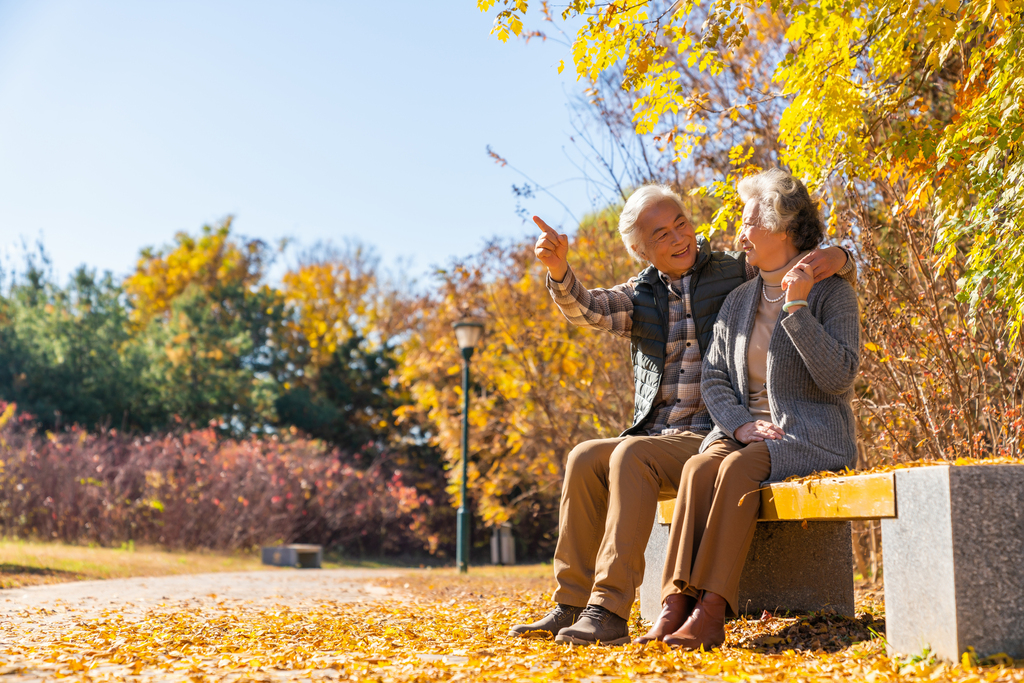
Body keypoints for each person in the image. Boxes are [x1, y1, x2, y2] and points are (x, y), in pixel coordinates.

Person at [508, 182, 855, 646]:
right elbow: (590, 309)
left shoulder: (734, 271)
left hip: (717, 431)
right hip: (691, 433)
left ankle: (611, 609)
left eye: (681, 224)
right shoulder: (646, 295)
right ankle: (573, 603)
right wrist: (558, 271)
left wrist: (840, 256)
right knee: (585, 457)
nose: (678, 238)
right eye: (661, 235)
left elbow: (806, 256)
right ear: (642, 252)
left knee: (633, 456)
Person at [646, 168, 860, 651]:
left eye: (748, 223)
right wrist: (740, 424)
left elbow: (839, 378)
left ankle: (711, 611)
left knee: (739, 469)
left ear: (782, 227)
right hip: (750, 433)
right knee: (701, 468)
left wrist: (798, 311)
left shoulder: (833, 293)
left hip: (809, 434)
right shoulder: (740, 300)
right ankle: (674, 605)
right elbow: (715, 378)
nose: (738, 235)